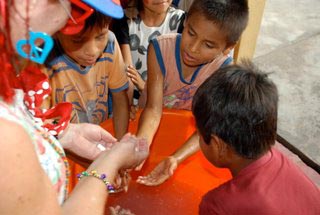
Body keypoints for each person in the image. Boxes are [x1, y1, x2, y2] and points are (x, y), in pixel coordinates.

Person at [0, 1, 148, 214]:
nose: (70, 23)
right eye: (75, 11)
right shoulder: (5, 136)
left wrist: (67, 133)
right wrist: (109, 163)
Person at [134, 0, 249, 170]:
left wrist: (175, 159)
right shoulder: (160, 48)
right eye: (191, 33)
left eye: (208, 45)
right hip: (148, 128)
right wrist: (140, 148)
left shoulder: (223, 71)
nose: (193, 48)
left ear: (228, 47)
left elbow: (207, 127)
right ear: (186, 22)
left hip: (184, 132)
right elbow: (153, 109)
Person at [43, 8, 129, 139]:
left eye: (100, 36)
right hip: (62, 144)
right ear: (56, 31)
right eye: (78, 40)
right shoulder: (43, 59)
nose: (92, 51)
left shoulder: (110, 44)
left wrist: (120, 143)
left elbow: (120, 100)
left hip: (101, 135)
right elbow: (41, 121)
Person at [113, 0, 185, 105]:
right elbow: (127, 70)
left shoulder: (181, 21)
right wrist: (128, 107)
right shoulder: (125, 18)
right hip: (132, 100)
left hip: (169, 102)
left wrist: (144, 87)